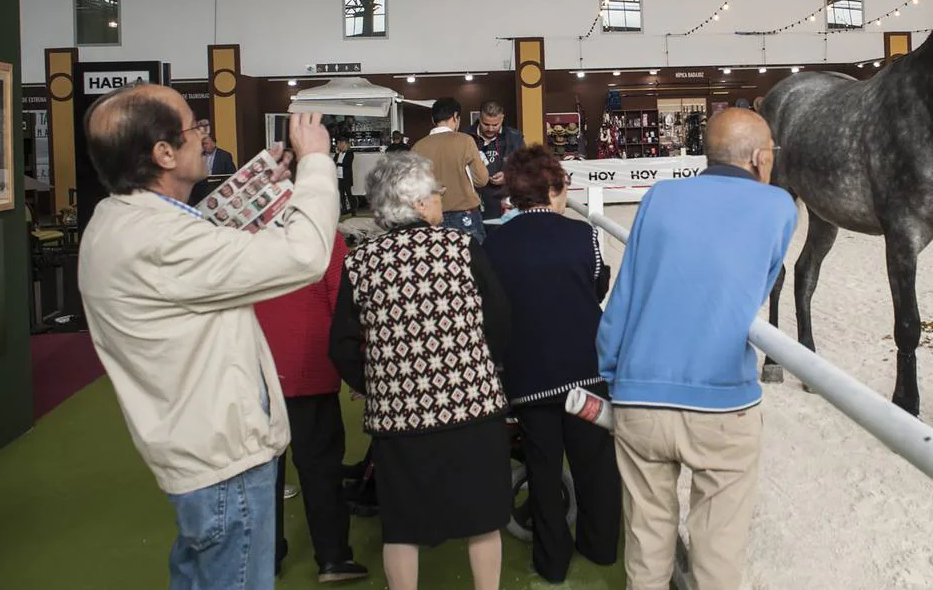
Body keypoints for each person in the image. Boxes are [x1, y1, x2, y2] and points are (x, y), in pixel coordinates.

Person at [77, 86, 339, 589]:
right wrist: (317, 165)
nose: (204, 136)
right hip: (224, 461)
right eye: (195, 127)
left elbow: (199, 251)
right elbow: (306, 255)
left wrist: (256, 193)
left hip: (201, 451)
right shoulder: (159, 241)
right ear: (163, 153)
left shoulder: (120, 220)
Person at [596, 109, 798, 590]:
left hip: (640, 394)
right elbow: (758, 284)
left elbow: (625, 294)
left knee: (646, 547)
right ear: (759, 157)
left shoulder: (660, 196)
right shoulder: (780, 207)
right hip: (722, 400)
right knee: (718, 552)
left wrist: (612, 371)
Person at [329, 152, 511, 590]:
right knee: (483, 518)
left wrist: (379, 384)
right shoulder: (462, 247)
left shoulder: (359, 262)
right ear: (414, 203)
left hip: (399, 418)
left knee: (402, 524)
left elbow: (341, 347)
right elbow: (500, 319)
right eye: (434, 195)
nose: (439, 203)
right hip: (473, 407)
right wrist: (478, 367)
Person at [484, 146, 621, 583]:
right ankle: (600, 548)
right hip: (585, 373)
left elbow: (494, 309)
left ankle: (552, 560)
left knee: (543, 469)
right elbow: (598, 287)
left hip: (528, 377)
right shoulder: (585, 237)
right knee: (595, 464)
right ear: (555, 187)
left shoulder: (493, 244)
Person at [254, 229, 369, 584]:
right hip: (310, 365)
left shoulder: (240, 230)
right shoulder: (321, 233)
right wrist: (357, 366)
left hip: (254, 367)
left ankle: (265, 556)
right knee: (321, 467)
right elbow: (343, 301)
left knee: (260, 471)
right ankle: (333, 558)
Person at [410, 98, 489, 243]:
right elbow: (481, 180)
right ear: (455, 116)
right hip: (464, 215)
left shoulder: (418, 147)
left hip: (430, 215)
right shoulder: (465, 140)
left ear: (433, 119)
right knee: (472, 260)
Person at [468, 101, 524, 220]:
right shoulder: (465, 137)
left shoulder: (515, 137)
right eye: (486, 124)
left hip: (506, 204)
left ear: (502, 118)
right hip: (472, 204)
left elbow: (526, 168)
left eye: (495, 125)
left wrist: (508, 176)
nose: (490, 128)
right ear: (479, 117)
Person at [334, 138, 356, 217]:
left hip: (346, 177)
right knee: (341, 194)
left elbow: (347, 164)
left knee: (349, 194)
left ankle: (353, 210)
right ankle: (344, 209)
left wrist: (338, 164)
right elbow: (334, 161)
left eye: (342, 144)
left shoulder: (350, 153)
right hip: (339, 176)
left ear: (346, 144)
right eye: (340, 144)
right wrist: (337, 153)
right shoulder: (339, 153)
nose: (340, 146)